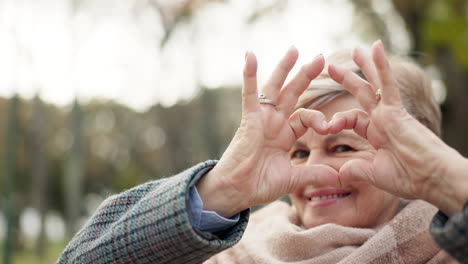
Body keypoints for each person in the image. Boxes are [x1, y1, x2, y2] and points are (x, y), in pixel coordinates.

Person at [57, 41, 468, 264]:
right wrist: (224, 188)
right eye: (298, 153)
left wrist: (444, 181)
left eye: (343, 146)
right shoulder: (233, 255)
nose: (317, 172)